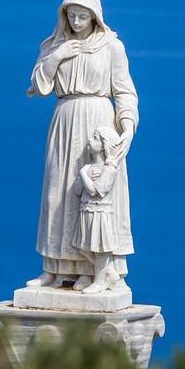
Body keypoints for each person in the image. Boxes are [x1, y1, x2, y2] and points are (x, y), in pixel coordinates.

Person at [25, 0, 137, 290]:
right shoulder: (56, 45)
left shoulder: (112, 47)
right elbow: (39, 84)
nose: (76, 22)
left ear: (95, 16)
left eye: (82, 16)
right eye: (71, 15)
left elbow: (125, 91)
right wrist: (57, 55)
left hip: (99, 123)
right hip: (65, 120)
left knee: (95, 199)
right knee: (57, 194)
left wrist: (126, 127)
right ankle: (55, 266)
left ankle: (96, 268)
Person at [76, 125, 126, 293]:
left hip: (100, 213)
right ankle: (110, 273)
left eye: (95, 138)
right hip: (87, 212)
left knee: (100, 249)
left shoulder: (110, 169)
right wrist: (85, 174)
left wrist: (83, 175)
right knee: (83, 248)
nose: (90, 140)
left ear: (104, 145)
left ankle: (99, 281)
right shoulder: (88, 167)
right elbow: (77, 190)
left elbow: (94, 190)